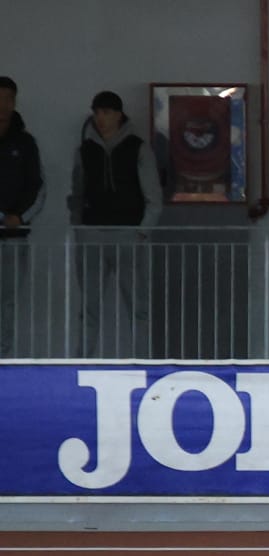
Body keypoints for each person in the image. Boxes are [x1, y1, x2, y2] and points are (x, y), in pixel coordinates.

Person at [70, 90, 160, 357]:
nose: (101, 118)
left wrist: (142, 232)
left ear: (119, 115)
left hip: (128, 234)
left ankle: (144, 361)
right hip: (92, 233)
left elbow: (153, 196)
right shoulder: (85, 151)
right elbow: (76, 193)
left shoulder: (137, 148)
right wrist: (79, 228)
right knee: (89, 307)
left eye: (106, 112)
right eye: (97, 112)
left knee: (138, 305)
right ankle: (82, 361)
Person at [0, 76, 48, 357]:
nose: (3, 105)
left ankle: (3, 358)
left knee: (6, 302)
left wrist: (20, 217)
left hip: (14, 238)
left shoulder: (26, 142)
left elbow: (38, 186)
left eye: (8, 98)